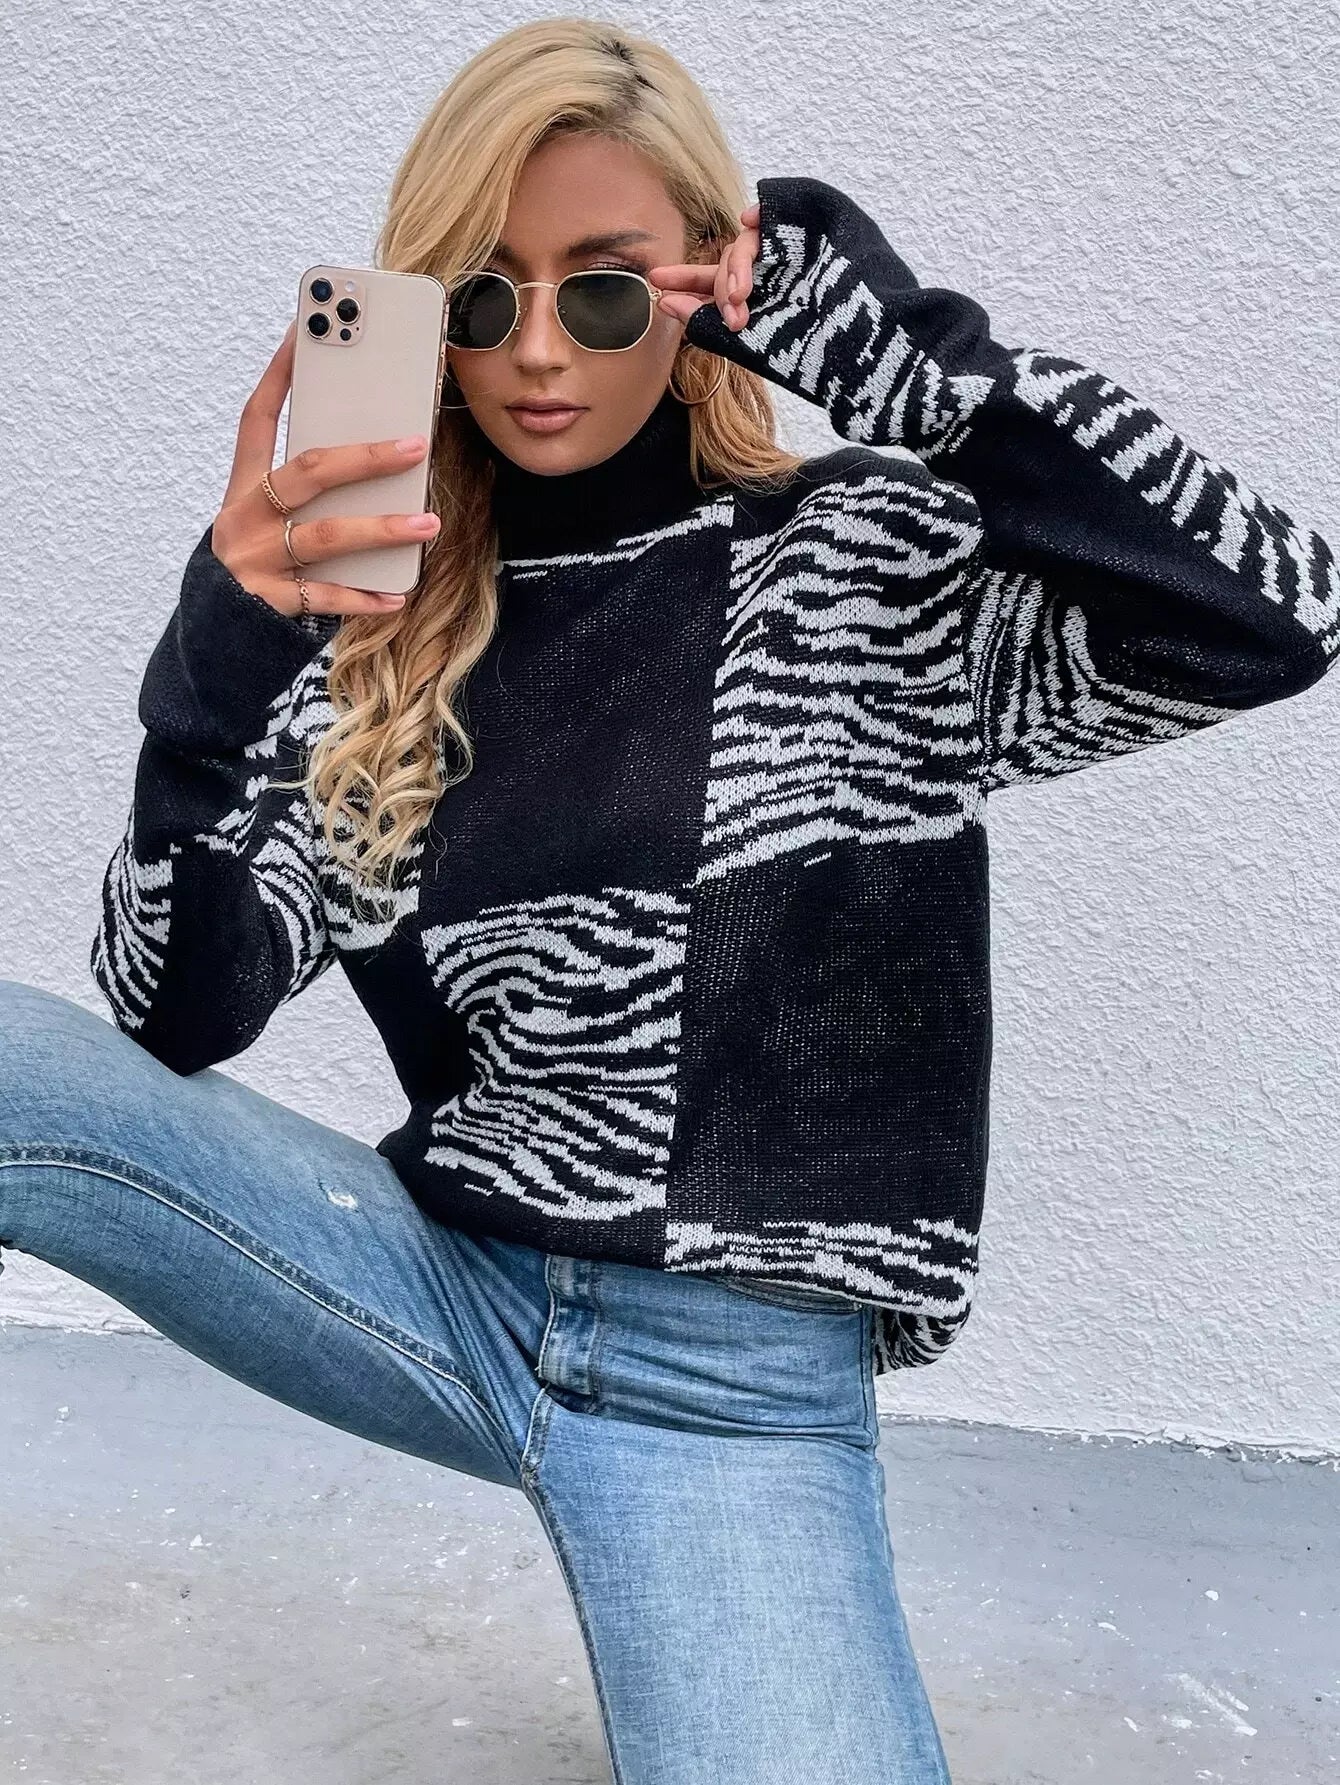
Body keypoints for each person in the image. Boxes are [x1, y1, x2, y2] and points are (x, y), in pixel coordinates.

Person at [3, 18, 1335, 1784]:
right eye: (483, 296)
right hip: (436, 1288)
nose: (539, 350)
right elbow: (175, 1006)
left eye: (606, 287)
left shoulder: (863, 565)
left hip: (734, 1401)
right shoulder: (391, 636)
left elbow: (1273, 613)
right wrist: (223, 653)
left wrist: (900, 354)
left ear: (712, 282)